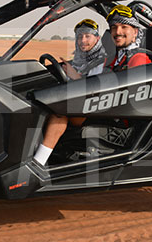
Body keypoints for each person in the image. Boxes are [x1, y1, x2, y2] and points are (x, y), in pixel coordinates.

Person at [33, 19, 107, 166]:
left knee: (59, 114)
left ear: (97, 38)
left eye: (87, 36)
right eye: (79, 37)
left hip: (93, 107)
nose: (82, 41)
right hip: (78, 101)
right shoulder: (80, 58)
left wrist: (76, 77)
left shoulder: (101, 60)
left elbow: (96, 90)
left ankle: (38, 162)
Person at [106, 4, 152, 71]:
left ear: (135, 32)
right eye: (114, 27)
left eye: (124, 27)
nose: (118, 32)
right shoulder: (112, 59)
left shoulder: (139, 59)